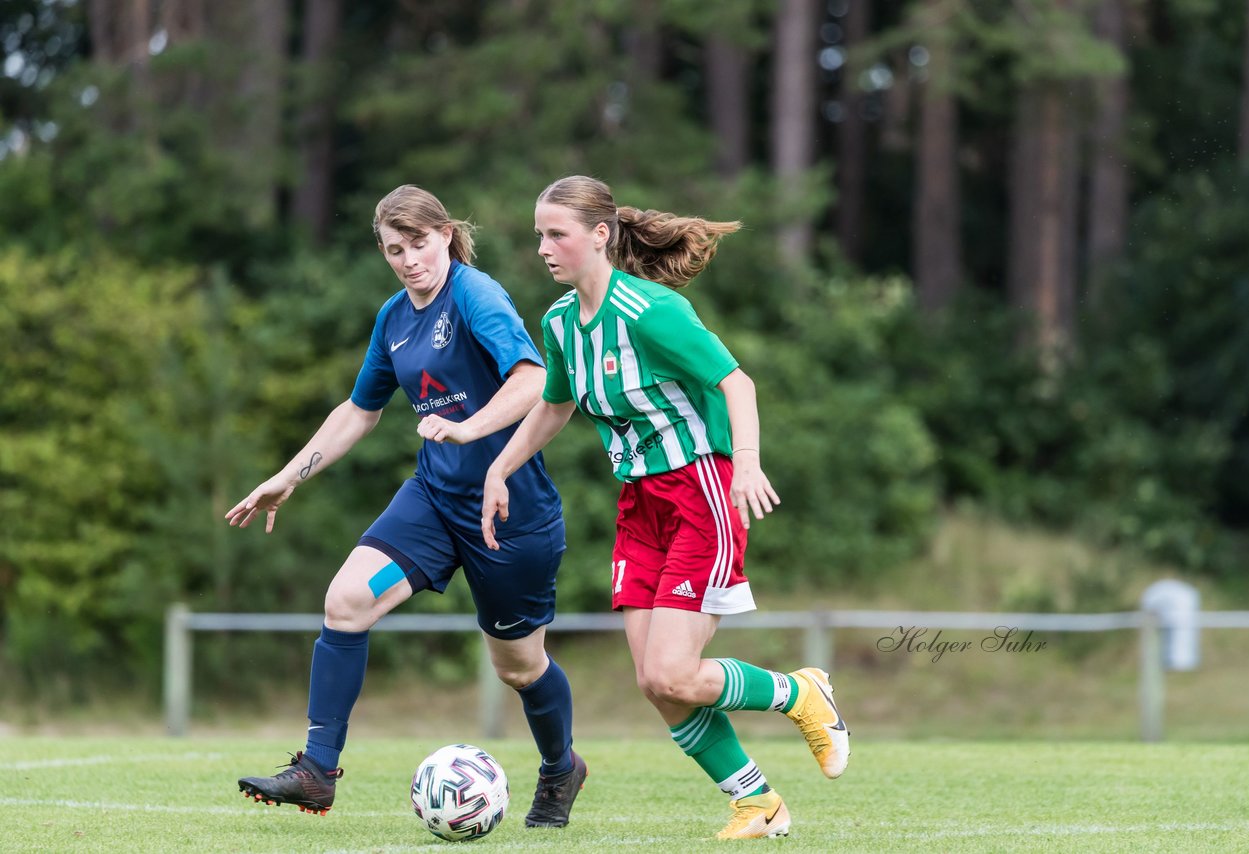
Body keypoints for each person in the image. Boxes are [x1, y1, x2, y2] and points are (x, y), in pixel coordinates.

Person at [481, 176, 850, 840]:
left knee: (675, 670)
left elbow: (736, 381)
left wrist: (747, 462)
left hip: (700, 491)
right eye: (539, 234)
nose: (543, 248)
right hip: (640, 503)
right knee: (658, 682)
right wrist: (501, 468)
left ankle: (800, 693)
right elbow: (555, 404)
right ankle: (757, 802)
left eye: (555, 233)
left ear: (599, 236)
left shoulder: (650, 312)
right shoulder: (561, 322)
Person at [226, 185, 587, 828]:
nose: (408, 259)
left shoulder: (476, 295)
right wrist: (288, 476)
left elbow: (532, 379)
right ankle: (317, 770)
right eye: (395, 249)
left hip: (508, 511)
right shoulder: (394, 317)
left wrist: (469, 428)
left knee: (519, 665)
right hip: (433, 502)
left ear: (445, 234)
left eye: (418, 243)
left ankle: (561, 767)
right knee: (346, 600)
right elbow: (360, 410)